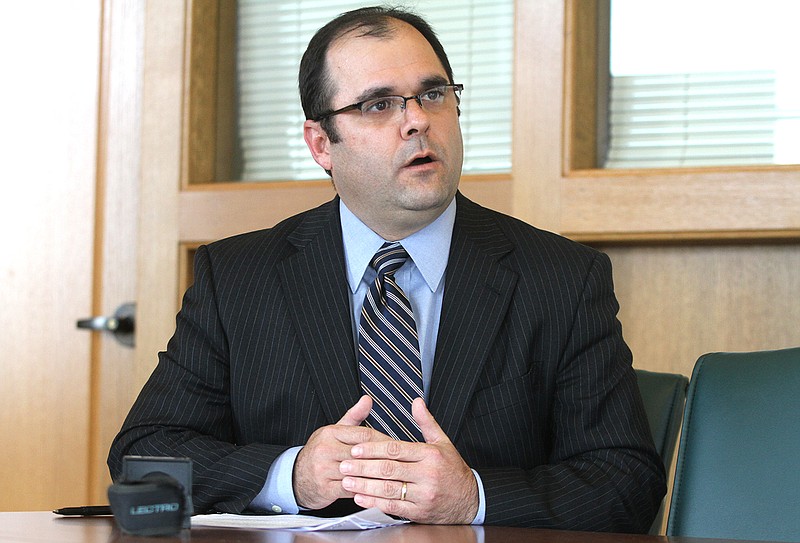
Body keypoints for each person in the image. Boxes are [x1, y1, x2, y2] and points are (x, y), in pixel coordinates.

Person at [108, 6, 665, 531]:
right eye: (378, 104)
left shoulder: (562, 278)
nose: (418, 121)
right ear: (322, 143)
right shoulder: (237, 278)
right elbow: (144, 456)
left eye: (432, 94)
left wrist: (472, 497)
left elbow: (627, 479)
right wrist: (292, 475)